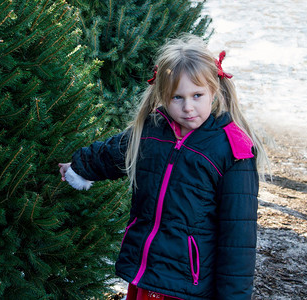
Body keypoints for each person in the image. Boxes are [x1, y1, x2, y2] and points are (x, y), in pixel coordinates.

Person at [58, 34, 267, 300]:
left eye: (197, 95)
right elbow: (115, 152)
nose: (188, 107)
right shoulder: (154, 129)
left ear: (214, 90)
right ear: (162, 95)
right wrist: (79, 166)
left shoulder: (232, 151)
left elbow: (238, 240)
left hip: (189, 286)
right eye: (177, 97)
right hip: (147, 274)